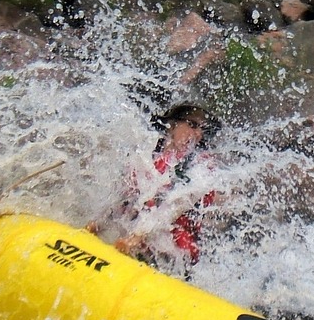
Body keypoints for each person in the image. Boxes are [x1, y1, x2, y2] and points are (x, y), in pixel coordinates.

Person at [88, 104, 221, 276]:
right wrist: (97, 224)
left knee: (159, 241)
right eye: (193, 125)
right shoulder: (148, 150)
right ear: (173, 124)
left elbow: (171, 209)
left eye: (203, 130)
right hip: (134, 236)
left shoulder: (202, 169)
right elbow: (124, 197)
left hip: (172, 252)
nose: (197, 134)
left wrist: (136, 238)